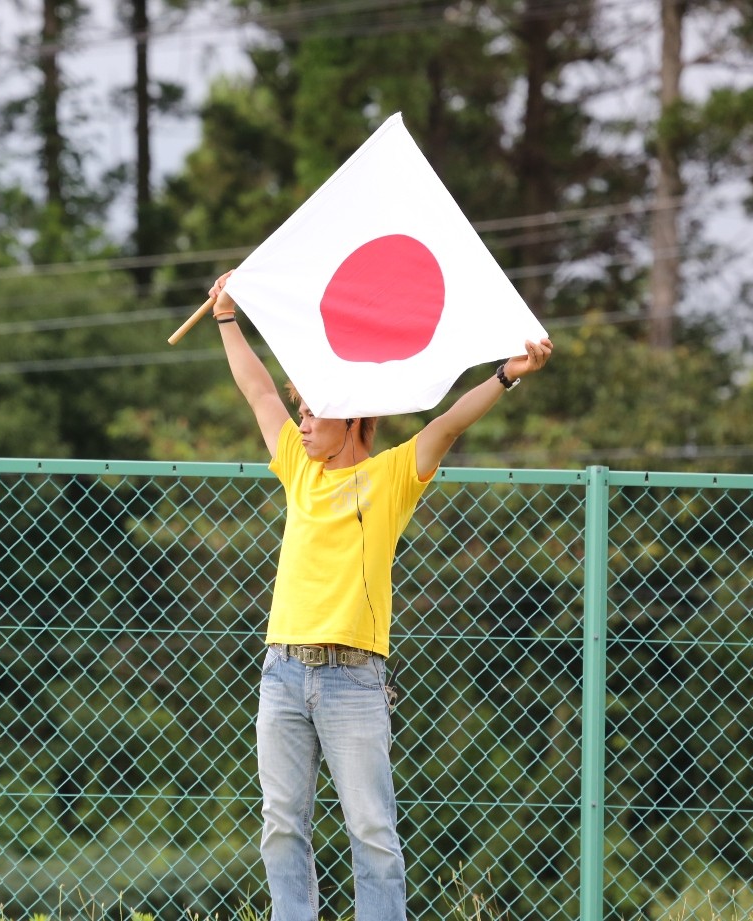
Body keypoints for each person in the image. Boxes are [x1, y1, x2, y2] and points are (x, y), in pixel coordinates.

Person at [206, 270, 553, 921]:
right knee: (281, 822)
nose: (303, 423)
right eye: (302, 412)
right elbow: (257, 389)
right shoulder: (297, 468)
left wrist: (505, 376)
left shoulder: (390, 476)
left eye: (314, 413)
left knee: (372, 830)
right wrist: (227, 316)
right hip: (281, 672)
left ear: (352, 417)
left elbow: (447, 425)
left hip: (353, 679)